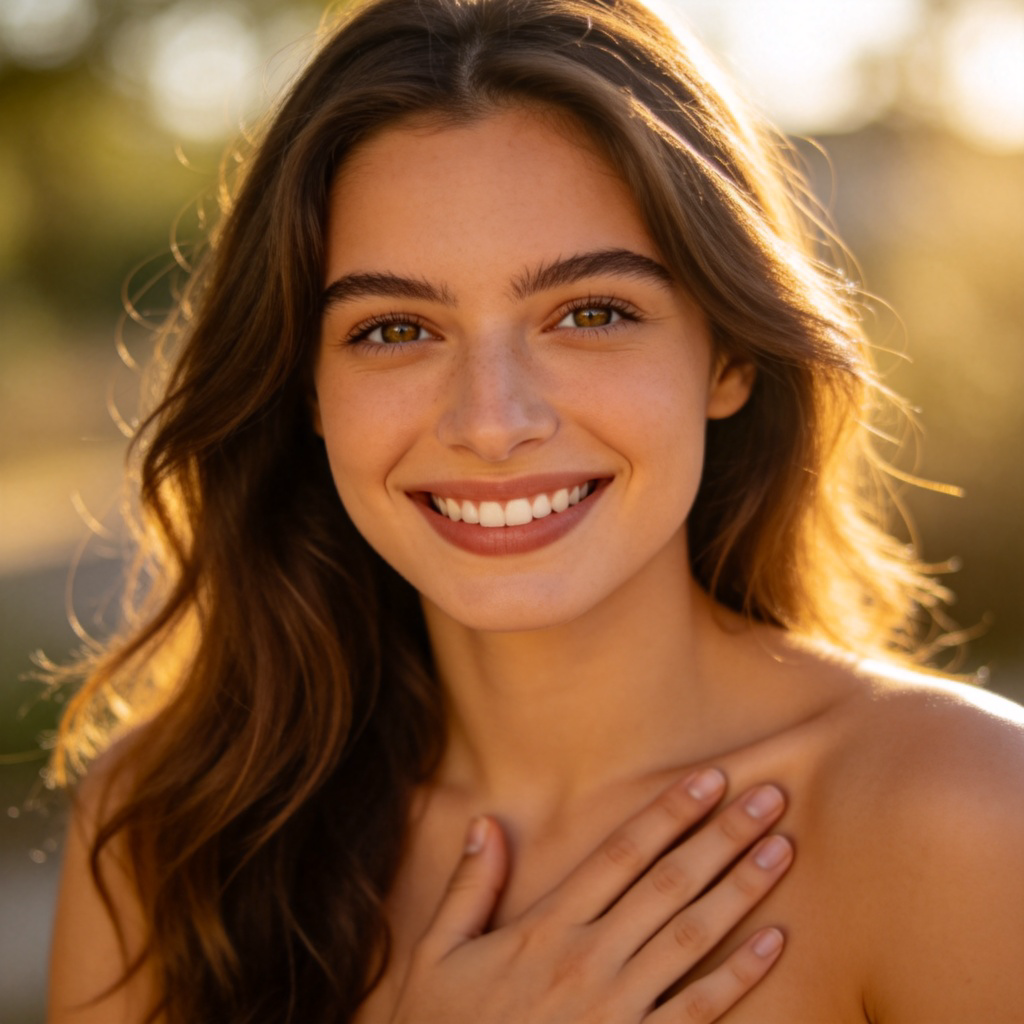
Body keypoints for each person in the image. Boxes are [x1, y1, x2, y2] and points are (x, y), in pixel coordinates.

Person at [47, 0, 1024, 1020]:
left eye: (590, 313)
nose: (491, 422)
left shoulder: (962, 813)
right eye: (394, 330)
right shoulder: (165, 829)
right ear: (308, 390)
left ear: (728, 355)